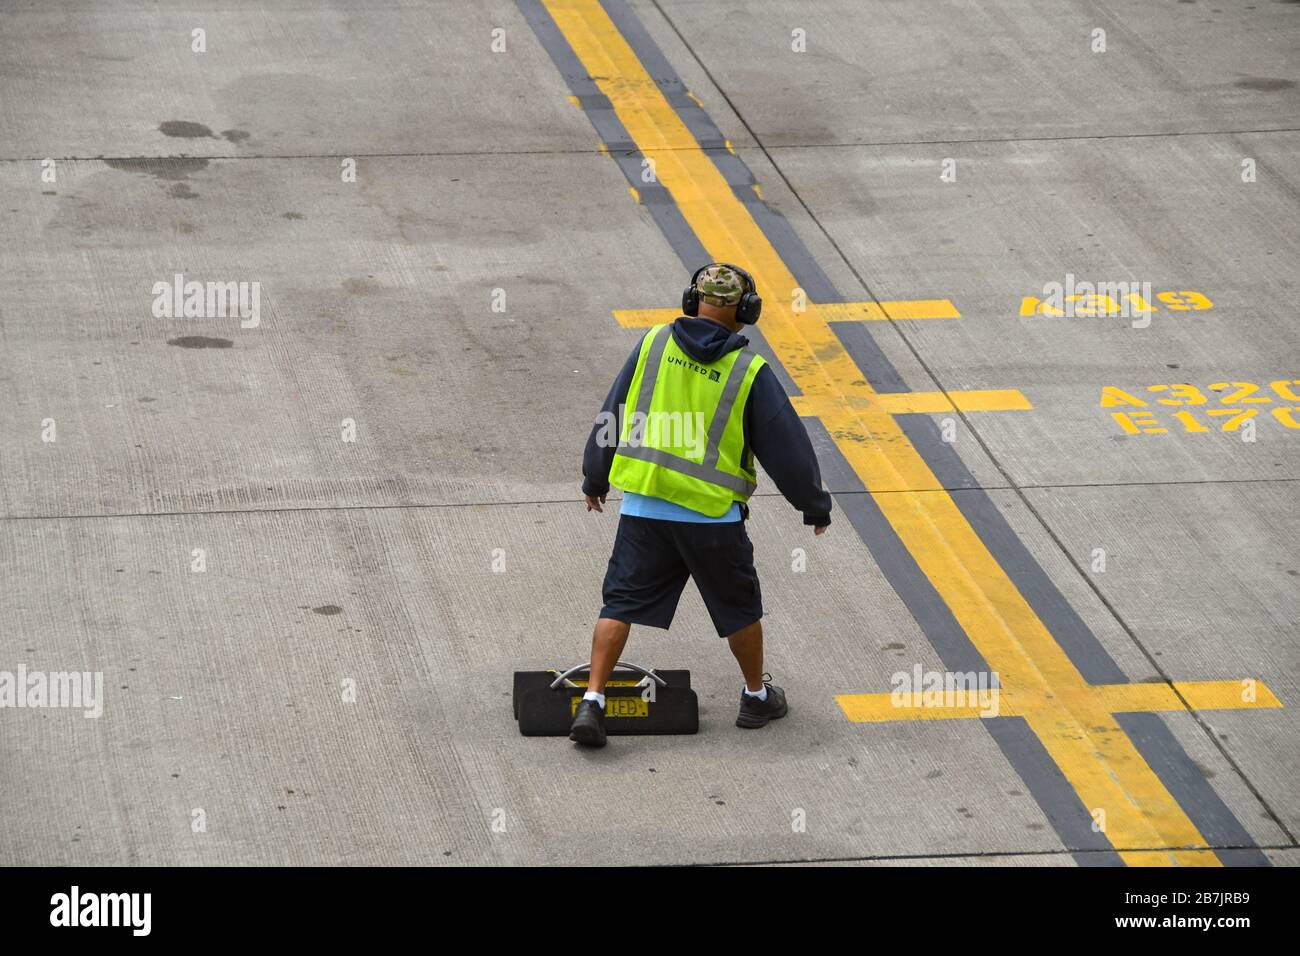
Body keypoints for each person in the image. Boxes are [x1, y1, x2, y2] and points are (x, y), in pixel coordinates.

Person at [571, 263, 833, 747]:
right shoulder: (748, 371)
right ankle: (756, 697)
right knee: (739, 610)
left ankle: (592, 702)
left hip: (645, 508)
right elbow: (788, 450)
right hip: (712, 517)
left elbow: (613, 411)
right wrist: (813, 505)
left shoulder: (652, 344)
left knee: (619, 603)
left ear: (693, 301)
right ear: (746, 311)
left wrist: (595, 475)